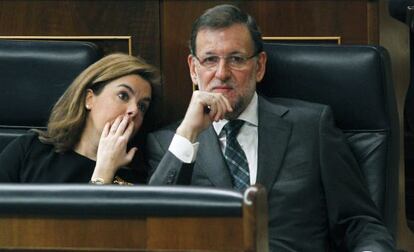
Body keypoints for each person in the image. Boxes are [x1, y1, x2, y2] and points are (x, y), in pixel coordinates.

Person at [145, 4, 395, 251]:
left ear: (260, 66)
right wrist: (188, 134)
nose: (222, 73)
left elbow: (358, 223)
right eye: (210, 60)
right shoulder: (170, 144)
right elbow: (152, 228)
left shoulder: (310, 127)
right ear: (193, 68)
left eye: (236, 59)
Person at [0, 53, 159, 184]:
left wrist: (105, 170)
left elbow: (90, 223)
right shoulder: (31, 148)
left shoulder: (138, 179)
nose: (134, 110)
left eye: (142, 106)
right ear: (89, 99)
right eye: (123, 95)